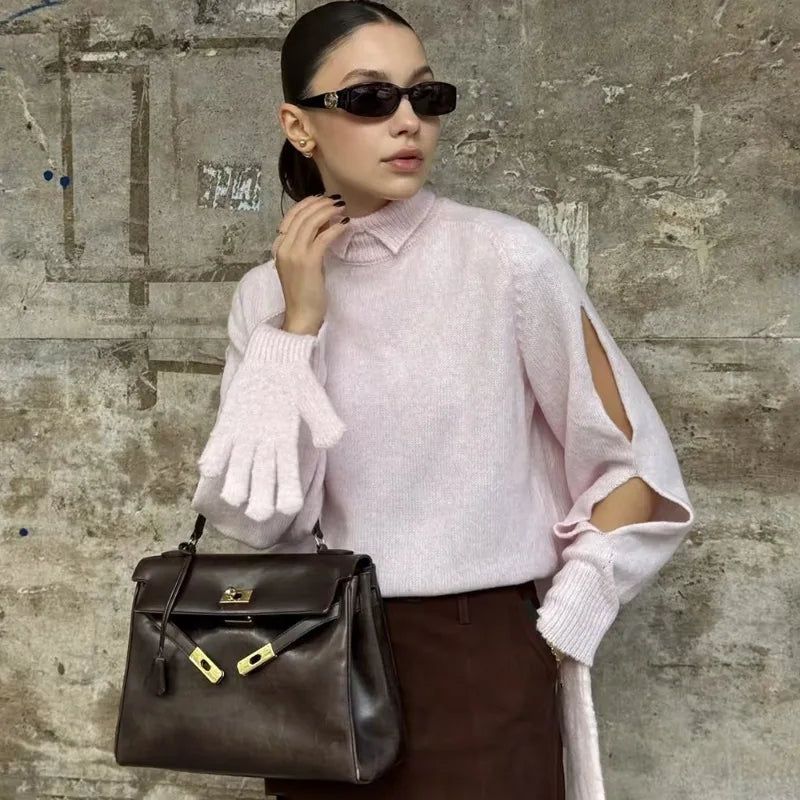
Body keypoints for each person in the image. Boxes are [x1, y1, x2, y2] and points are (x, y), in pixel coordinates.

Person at [190, 2, 696, 798]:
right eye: (368, 98)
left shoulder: (506, 261)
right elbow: (254, 518)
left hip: (478, 656)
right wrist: (298, 326)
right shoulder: (266, 297)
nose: (407, 123)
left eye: (425, 98)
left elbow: (635, 467)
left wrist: (560, 624)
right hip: (312, 656)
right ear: (300, 125)